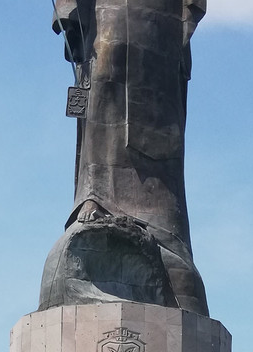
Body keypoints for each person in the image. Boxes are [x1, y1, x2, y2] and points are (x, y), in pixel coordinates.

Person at [41, 0, 210, 316]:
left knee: (157, 105)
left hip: (161, 14)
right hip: (105, 8)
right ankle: (95, 198)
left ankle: (162, 232)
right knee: (104, 71)